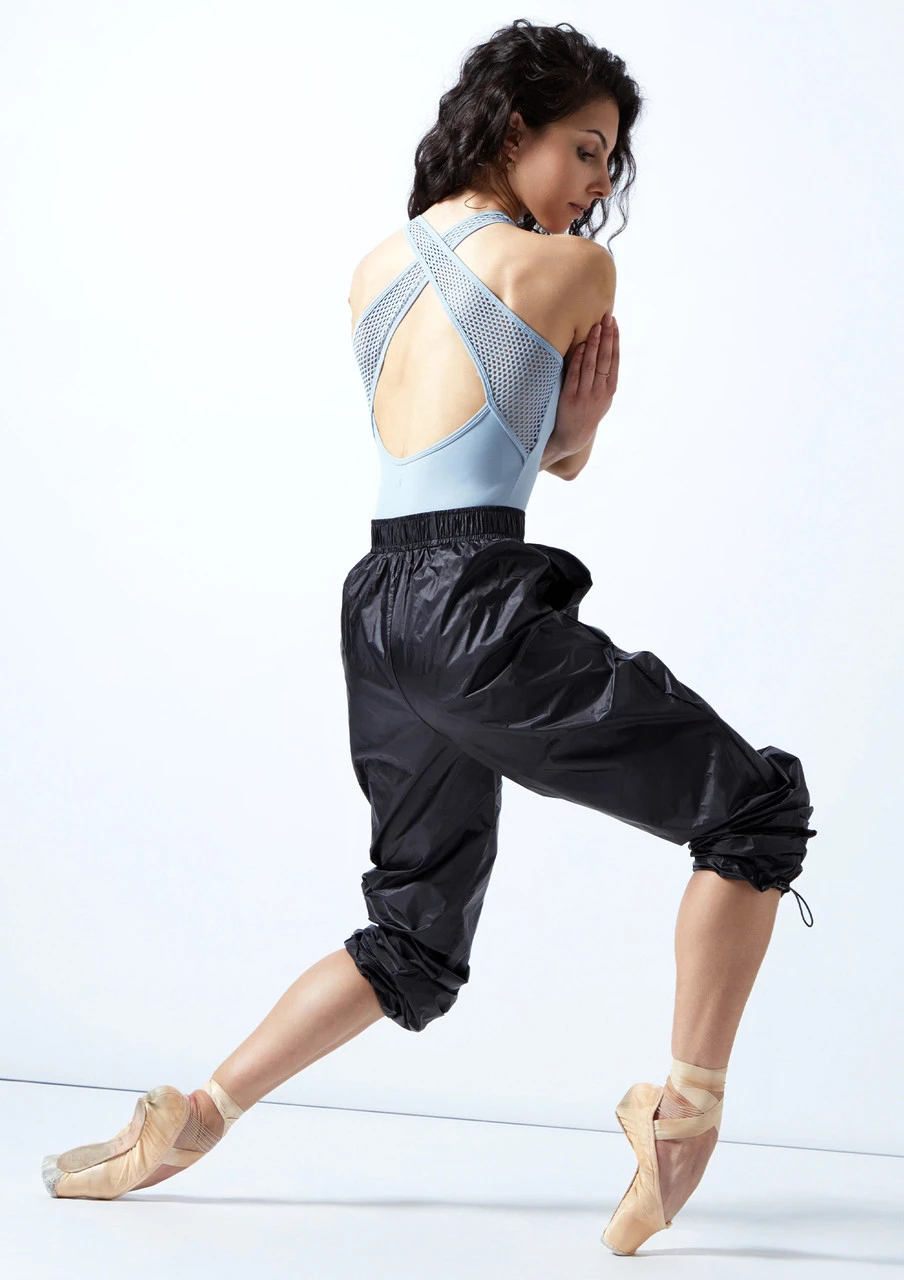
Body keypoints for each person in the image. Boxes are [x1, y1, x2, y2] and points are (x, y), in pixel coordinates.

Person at [43, 18, 816, 1257]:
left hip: (377, 605)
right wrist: (587, 426)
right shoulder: (569, 271)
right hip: (475, 603)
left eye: (609, 160)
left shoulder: (372, 269)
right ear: (514, 129)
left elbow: (457, 438)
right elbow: (551, 458)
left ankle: (198, 1114)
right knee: (755, 812)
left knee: (412, 936)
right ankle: (683, 1119)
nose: (597, 184)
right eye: (584, 147)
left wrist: (559, 432)